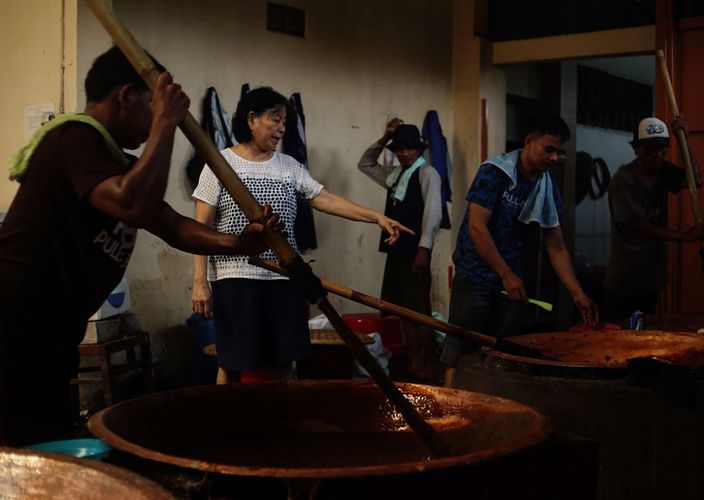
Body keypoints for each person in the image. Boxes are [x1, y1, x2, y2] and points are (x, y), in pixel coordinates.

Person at [0, 46, 281, 447]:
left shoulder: (119, 163)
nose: (154, 121)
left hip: (51, 330)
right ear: (126, 96)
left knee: (39, 445)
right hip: (12, 321)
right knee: (14, 449)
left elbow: (172, 225)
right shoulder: (72, 138)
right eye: (154, 105)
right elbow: (133, 204)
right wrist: (166, 125)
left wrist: (237, 242)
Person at [191, 87, 413, 385]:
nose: (282, 127)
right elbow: (201, 229)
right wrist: (199, 281)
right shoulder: (220, 165)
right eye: (275, 119)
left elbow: (327, 200)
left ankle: (281, 426)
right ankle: (229, 429)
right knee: (233, 362)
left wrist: (376, 217)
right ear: (252, 119)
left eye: (284, 121)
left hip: (285, 277)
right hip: (235, 279)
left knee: (283, 361)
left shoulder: (289, 167)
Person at [441, 113, 598, 387]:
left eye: (559, 152)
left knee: (502, 358)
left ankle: (491, 419)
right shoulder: (495, 172)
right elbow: (478, 227)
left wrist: (578, 294)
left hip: (511, 286)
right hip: (475, 278)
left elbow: (555, 244)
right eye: (548, 149)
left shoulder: (546, 185)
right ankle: (446, 421)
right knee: (459, 357)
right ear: (529, 141)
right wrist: (505, 273)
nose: (553, 158)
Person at [357, 118, 443, 381]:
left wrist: (424, 249)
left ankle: (430, 364)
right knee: (403, 311)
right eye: (399, 149)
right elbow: (365, 163)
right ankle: (414, 361)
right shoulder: (395, 176)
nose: (404, 154)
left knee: (420, 313)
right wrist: (384, 138)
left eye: (409, 149)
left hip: (415, 253)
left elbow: (433, 213)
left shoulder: (427, 173)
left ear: (419, 149)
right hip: (396, 251)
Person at [601, 116, 704, 321]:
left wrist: (684, 141)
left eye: (661, 148)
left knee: (640, 333)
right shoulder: (624, 179)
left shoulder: (663, 171)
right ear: (636, 149)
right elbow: (636, 225)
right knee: (617, 338)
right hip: (625, 281)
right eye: (649, 149)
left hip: (650, 280)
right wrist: (683, 236)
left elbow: (695, 180)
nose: (656, 154)